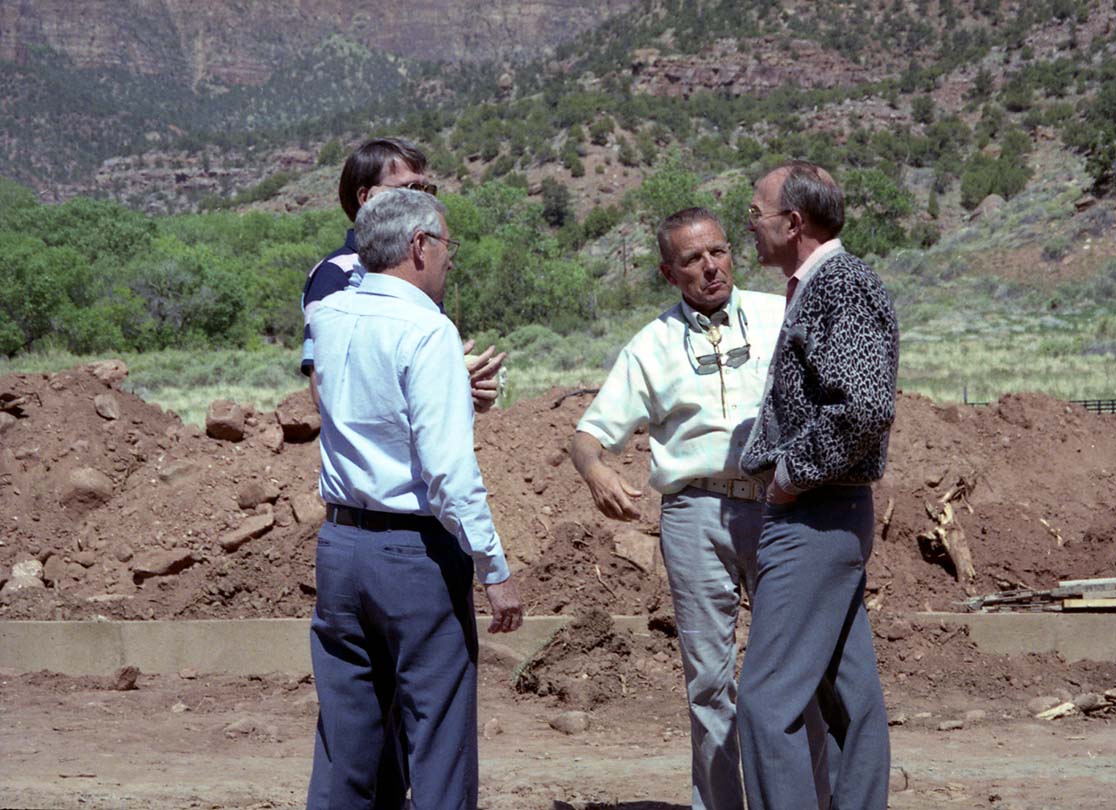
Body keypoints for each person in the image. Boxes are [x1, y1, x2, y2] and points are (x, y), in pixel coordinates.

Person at [571, 207, 795, 810]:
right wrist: (596, 471)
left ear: (732, 253)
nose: (709, 268)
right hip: (695, 514)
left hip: (782, 507)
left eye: (717, 252)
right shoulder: (651, 346)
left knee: (796, 674)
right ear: (670, 273)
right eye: (691, 260)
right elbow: (589, 435)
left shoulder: (781, 315)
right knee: (710, 680)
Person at [306, 188, 522, 810]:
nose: (451, 259)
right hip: (414, 556)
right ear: (420, 246)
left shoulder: (331, 316)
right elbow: (449, 472)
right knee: (439, 737)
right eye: (447, 245)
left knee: (346, 744)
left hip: (339, 546)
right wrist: (493, 568)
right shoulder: (428, 333)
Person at [737, 161, 899, 810]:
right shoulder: (822, 285)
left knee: (765, 700)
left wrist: (788, 476)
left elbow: (862, 406)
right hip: (826, 515)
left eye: (755, 213)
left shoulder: (841, 285)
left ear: (793, 222)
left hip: (814, 515)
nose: (748, 225)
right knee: (844, 699)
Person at [300, 137, 504, 411]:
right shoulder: (333, 274)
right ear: (366, 198)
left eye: (427, 189)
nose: (424, 201)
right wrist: (442, 382)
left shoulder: (417, 267)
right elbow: (324, 392)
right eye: (410, 189)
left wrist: (466, 391)